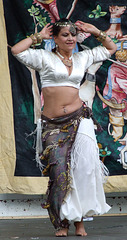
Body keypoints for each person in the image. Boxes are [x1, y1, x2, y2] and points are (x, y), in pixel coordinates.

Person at [11, 18, 117, 237]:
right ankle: (62, 222)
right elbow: (16, 51)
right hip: (53, 125)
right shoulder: (43, 58)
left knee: (83, 170)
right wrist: (38, 37)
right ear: (56, 38)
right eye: (65, 35)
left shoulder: (82, 57)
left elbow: (111, 48)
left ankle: (80, 222)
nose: (70, 38)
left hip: (80, 120)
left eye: (72, 35)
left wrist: (96, 31)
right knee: (59, 172)